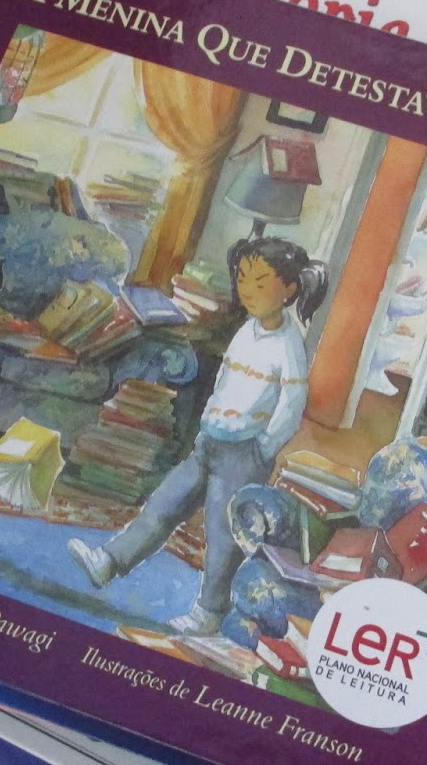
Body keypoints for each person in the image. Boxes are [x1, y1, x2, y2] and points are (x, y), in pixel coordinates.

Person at [69, 235, 329, 634]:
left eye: (260, 282)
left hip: (244, 454)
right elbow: (225, 381)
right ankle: (109, 562)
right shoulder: (246, 330)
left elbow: (291, 406)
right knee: (162, 505)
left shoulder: (289, 343)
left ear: (290, 288)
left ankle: (210, 611)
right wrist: (208, 421)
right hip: (209, 442)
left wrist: (263, 450)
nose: (247, 290)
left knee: (222, 536)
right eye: (242, 279)